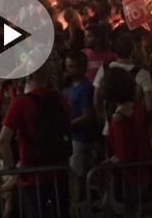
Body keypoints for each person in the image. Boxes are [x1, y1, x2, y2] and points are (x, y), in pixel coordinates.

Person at [0, 65, 70, 218]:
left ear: (28, 78)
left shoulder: (21, 102)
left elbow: (3, 140)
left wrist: (11, 167)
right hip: (59, 170)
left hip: (31, 174)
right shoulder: (61, 99)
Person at [99, 66, 150, 218]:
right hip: (143, 169)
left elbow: (122, 154)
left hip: (128, 175)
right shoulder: (138, 108)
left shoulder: (119, 119)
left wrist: (105, 165)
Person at [62, 51, 96, 201]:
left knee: (77, 174)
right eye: (67, 66)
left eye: (72, 66)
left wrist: (68, 125)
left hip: (81, 137)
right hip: (72, 136)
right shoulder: (68, 87)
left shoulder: (86, 88)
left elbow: (88, 115)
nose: (68, 70)